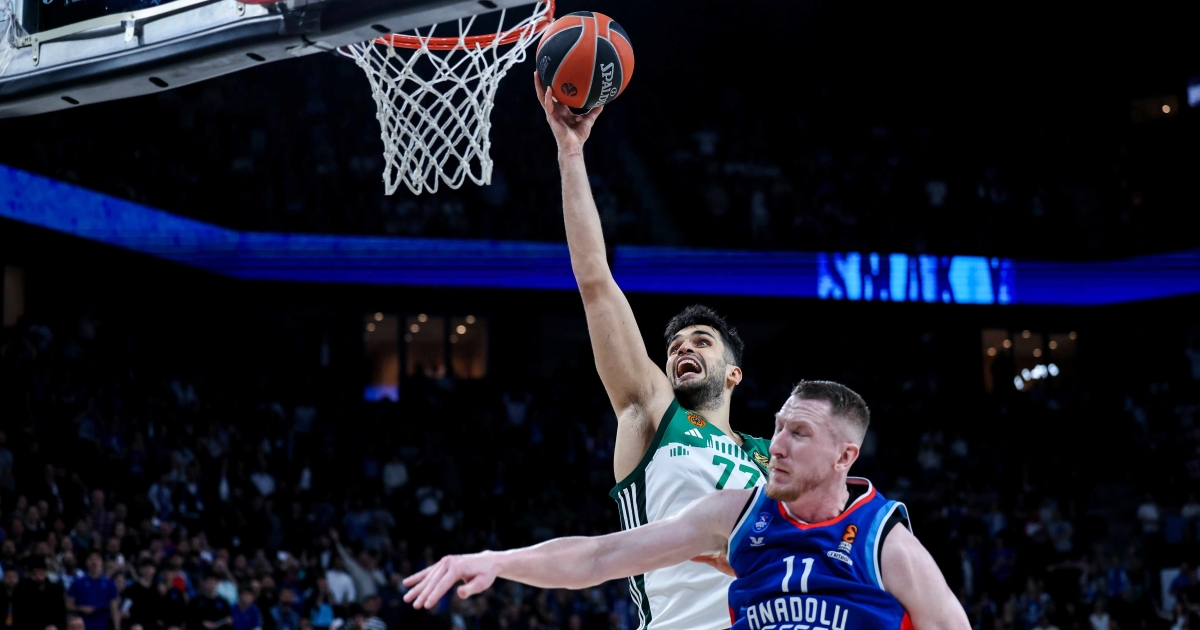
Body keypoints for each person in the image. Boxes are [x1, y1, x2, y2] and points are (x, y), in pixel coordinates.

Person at [404, 381, 969, 630]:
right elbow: (601, 557)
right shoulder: (736, 515)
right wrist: (497, 560)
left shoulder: (885, 542)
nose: (776, 445)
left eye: (798, 433)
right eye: (777, 427)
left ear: (845, 455)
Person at [533, 74, 772, 630]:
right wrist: (571, 153)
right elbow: (596, 283)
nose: (683, 348)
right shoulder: (654, 412)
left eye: (702, 342)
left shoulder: (772, 456)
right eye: (675, 346)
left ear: (734, 373)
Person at [66, 552, 119, 630]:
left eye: (97, 559)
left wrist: (117, 627)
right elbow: (68, 604)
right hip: (82, 625)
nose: (94, 562)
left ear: (102, 562)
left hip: (103, 625)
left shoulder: (110, 584)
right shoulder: (77, 582)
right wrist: (80, 608)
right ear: (87, 562)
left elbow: (114, 610)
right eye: (91, 559)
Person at [14, 557, 67, 630]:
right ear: (29, 574)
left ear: (45, 572)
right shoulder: (21, 589)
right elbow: (19, 614)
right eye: (34, 574)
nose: (38, 577)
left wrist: (54, 626)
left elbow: (60, 612)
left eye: (40, 573)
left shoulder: (55, 589)